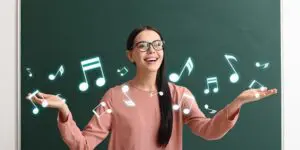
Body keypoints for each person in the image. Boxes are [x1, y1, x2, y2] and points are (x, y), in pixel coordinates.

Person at [28, 26, 277, 150]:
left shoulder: (180, 95)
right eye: (143, 46)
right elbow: (83, 144)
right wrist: (63, 109)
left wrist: (237, 104)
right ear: (130, 55)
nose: (152, 51)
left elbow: (209, 130)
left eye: (157, 45)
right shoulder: (114, 97)